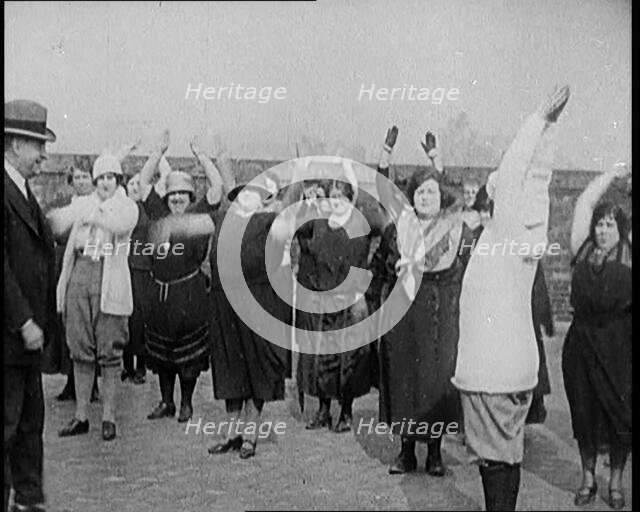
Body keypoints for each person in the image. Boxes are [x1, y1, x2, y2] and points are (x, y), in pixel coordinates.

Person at [452, 85, 570, 511]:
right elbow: (537, 179)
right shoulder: (522, 234)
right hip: (506, 369)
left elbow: (521, 170)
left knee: (498, 459)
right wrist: (549, 131)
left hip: (494, 372)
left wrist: (538, 120)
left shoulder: (507, 234)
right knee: (501, 456)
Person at [373, 127, 475, 476]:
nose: (426, 197)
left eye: (432, 192)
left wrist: (436, 160)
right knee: (405, 377)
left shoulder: (455, 228)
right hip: (405, 315)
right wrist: (386, 152)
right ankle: (405, 452)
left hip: (441, 313)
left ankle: (433, 453)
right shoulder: (401, 227)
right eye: (419, 192)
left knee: (436, 381)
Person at [49, 149, 139, 442]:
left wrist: (92, 213)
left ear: (118, 179)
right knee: (80, 347)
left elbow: (119, 225)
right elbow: (59, 223)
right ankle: (81, 415)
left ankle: (109, 417)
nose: (104, 183)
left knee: (109, 350)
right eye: (100, 177)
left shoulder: (126, 206)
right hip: (80, 272)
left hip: (107, 277)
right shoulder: (84, 204)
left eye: (110, 177)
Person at [208, 162, 294, 458]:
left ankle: (251, 435)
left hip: (258, 302)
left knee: (257, 367)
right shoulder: (223, 220)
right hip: (224, 305)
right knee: (230, 368)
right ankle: (232, 432)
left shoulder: (272, 221)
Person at [562, 163, 632, 510]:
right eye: (600, 224)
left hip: (621, 345)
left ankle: (616, 482)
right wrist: (612, 174)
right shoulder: (582, 247)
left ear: (621, 228)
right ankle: (588, 478)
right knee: (584, 414)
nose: (603, 230)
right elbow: (584, 203)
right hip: (582, 345)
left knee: (621, 416)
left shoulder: (630, 252)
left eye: (610, 225)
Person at [293, 160, 381, 434]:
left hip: (350, 304)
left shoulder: (362, 224)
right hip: (322, 300)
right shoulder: (317, 225)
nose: (336, 203)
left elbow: (382, 214)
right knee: (322, 359)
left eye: (342, 198)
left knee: (349, 360)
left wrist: (358, 181)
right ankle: (322, 409)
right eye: (332, 198)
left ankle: (345, 412)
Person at [141, 133, 221, 423]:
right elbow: (141, 183)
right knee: (161, 351)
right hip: (160, 295)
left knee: (187, 354)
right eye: (172, 194)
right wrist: (157, 151)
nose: (176, 198)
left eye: (182, 194)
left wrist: (201, 156)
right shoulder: (158, 214)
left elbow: (218, 188)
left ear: (190, 197)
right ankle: (166, 402)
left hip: (190, 295)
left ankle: (186, 403)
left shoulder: (199, 215)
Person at [4, 99, 57, 512]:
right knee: (7, 426)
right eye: (37, 144)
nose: (43, 155)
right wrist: (23, 319)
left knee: (28, 426)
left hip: (26, 341)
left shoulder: (22, 192)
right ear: (14, 144)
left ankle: (28, 500)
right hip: (11, 336)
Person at [471, 186, 555, 425]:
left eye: (491, 211)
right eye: (483, 212)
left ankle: (528, 407)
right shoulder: (473, 241)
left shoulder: (515, 238)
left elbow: (535, 279)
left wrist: (543, 316)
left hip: (520, 312)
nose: (487, 217)